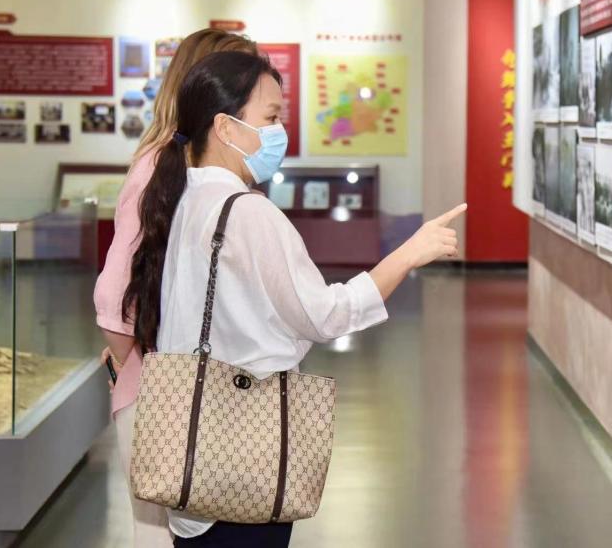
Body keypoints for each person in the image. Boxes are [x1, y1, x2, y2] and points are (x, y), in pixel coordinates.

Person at [124, 51, 465, 546]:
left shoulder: (185, 197)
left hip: (193, 462)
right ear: (225, 126)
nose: (279, 132)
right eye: (270, 117)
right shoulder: (248, 213)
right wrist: (409, 253)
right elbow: (326, 316)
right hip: (241, 467)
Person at [94, 29, 262, 548]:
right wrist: (131, 364)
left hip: (215, 390)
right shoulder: (159, 166)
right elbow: (115, 296)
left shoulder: (222, 169)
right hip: (161, 392)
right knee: (158, 535)